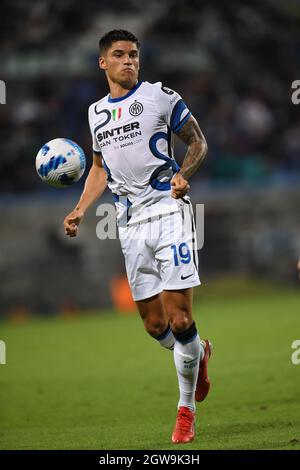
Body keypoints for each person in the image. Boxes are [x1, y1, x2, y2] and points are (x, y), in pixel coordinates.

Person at [64, 29, 212, 444]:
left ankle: (186, 413)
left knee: (181, 318)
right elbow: (98, 168)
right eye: (119, 55)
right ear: (103, 63)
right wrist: (79, 209)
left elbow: (197, 141)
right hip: (128, 225)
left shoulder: (160, 96)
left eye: (133, 55)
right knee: (154, 326)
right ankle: (198, 353)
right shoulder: (95, 114)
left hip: (169, 213)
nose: (129, 61)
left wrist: (184, 174)